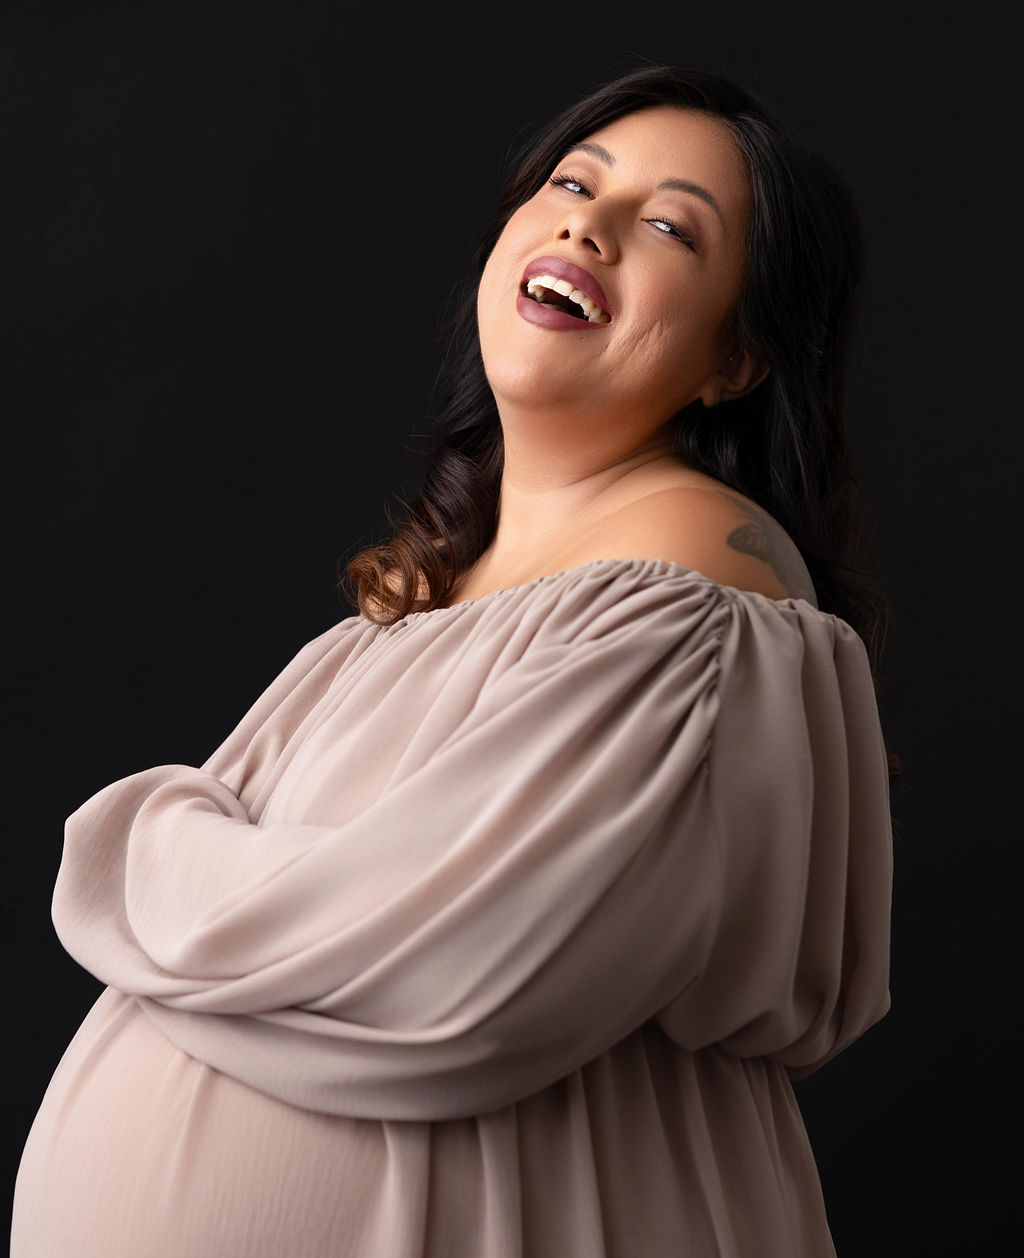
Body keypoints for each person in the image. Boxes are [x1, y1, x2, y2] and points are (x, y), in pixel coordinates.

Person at [12, 64, 895, 1257]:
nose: (590, 220)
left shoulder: (695, 595)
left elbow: (452, 972)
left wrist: (147, 839)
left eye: (672, 225)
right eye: (574, 182)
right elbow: (317, 926)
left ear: (736, 357)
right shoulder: (411, 611)